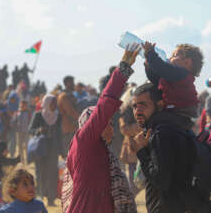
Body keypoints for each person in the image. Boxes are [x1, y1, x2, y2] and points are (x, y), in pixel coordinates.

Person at [61, 44, 139, 213]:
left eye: (111, 124)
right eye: (106, 124)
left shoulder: (99, 149)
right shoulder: (85, 140)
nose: (111, 129)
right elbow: (105, 104)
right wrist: (123, 68)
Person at [131, 82, 200, 213]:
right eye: (134, 106)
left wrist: (141, 151)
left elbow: (160, 181)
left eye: (143, 105)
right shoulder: (174, 125)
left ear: (160, 105)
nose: (137, 111)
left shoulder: (161, 133)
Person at [142, 42, 204, 129]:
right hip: (174, 111)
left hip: (183, 114)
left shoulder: (182, 74)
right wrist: (148, 67)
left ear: (187, 62)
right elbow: (156, 79)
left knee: (154, 120)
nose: (170, 58)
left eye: (174, 55)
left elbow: (161, 68)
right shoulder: (172, 75)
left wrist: (150, 53)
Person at [29, 94, 62, 206]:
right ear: (47, 103)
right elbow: (30, 130)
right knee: (40, 173)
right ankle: (40, 196)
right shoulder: (38, 115)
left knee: (53, 174)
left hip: (53, 149)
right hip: (40, 149)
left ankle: (51, 199)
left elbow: (60, 134)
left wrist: (63, 151)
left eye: (55, 103)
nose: (54, 105)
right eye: (52, 103)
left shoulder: (58, 116)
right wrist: (38, 130)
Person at [57, 75, 80, 154]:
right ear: (67, 83)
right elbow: (70, 112)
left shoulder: (71, 95)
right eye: (72, 82)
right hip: (68, 129)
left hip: (73, 128)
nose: (74, 84)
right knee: (70, 154)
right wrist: (83, 119)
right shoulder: (63, 96)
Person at [13, 100, 31, 164]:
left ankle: (27, 159)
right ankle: (21, 160)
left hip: (26, 131)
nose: (23, 106)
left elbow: (31, 121)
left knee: (26, 146)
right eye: (22, 105)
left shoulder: (28, 112)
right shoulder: (17, 112)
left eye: (24, 105)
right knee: (20, 146)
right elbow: (14, 121)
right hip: (19, 131)